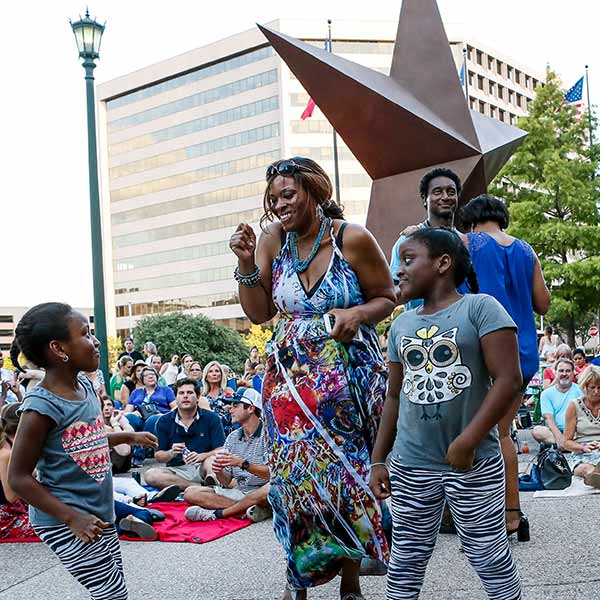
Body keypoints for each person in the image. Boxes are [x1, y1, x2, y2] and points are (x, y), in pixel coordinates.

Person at [230, 156, 395, 599]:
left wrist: (357, 313)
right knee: (294, 484)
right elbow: (259, 313)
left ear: (315, 191)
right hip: (289, 384)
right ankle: (296, 580)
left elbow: (387, 296)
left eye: (288, 194)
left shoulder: (351, 238)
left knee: (347, 478)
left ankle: (350, 581)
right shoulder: (273, 240)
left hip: (347, 381)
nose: (280, 205)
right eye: (274, 199)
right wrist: (246, 264)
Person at [369, 228, 522, 600]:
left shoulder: (480, 308)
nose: (399, 270)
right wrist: (378, 459)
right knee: (406, 556)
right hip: (410, 464)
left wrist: (468, 440)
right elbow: (394, 395)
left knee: (488, 552)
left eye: (408, 260)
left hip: (473, 463)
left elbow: (509, 379)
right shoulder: (401, 325)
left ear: (442, 263)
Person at [7, 302, 157, 600]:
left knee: (113, 586)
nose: (96, 341)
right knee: (112, 594)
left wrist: (128, 436)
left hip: (99, 511)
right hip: (63, 519)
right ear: (59, 348)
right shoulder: (40, 406)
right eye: (86, 333)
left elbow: (86, 439)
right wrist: (71, 518)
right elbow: (18, 478)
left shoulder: (85, 388)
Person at [461, 193, 551, 539]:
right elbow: (543, 304)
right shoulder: (526, 250)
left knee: (489, 435)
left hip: (487, 349)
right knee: (502, 432)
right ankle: (511, 514)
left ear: (471, 220)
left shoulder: (468, 243)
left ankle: (501, 517)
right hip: (524, 353)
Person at [184, 387, 271, 522]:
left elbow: (272, 475)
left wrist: (242, 463)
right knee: (190, 493)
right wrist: (218, 471)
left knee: (270, 488)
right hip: (241, 491)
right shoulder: (232, 437)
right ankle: (251, 508)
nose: (230, 410)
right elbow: (226, 482)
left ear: (250, 408)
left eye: (235, 406)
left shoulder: (269, 435)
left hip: (264, 491)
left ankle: (220, 513)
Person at [389, 167, 464, 307]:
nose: (445, 197)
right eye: (437, 192)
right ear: (425, 199)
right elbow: (393, 290)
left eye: (451, 192)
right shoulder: (408, 241)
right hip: (421, 319)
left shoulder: (465, 242)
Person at [144, 378, 225, 491]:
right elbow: (158, 456)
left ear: (198, 397)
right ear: (176, 398)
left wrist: (201, 456)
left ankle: (210, 482)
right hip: (177, 470)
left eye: (190, 392)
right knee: (151, 475)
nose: (185, 396)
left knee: (212, 461)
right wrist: (171, 453)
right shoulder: (164, 421)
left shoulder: (212, 418)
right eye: (181, 393)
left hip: (203, 465)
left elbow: (221, 449)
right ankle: (200, 488)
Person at [125, 366, 176, 467]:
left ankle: (138, 454)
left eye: (152, 374)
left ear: (157, 377)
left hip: (158, 417)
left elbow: (175, 407)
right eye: (147, 375)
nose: (150, 377)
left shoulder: (166, 390)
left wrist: (163, 415)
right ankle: (129, 454)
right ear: (142, 379)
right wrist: (134, 413)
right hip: (140, 418)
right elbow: (127, 411)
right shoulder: (136, 392)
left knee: (153, 419)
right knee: (130, 418)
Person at [0, 403, 37, 539]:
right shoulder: (6, 454)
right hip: (6, 517)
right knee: (54, 527)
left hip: (15, 510)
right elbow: (11, 497)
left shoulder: (10, 445)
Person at [563, 366, 600, 487]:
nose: (596, 392)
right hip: (582, 450)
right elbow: (566, 442)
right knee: (585, 468)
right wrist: (583, 447)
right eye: (592, 388)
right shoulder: (574, 405)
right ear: (585, 387)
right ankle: (595, 476)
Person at [532, 358, 582, 447]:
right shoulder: (546, 394)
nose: (564, 374)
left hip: (577, 431)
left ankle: (563, 445)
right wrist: (559, 437)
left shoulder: (580, 390)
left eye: (568, 371)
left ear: (573, 373)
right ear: (555, 373)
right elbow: (548, 418)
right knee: (537, 431)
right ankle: (569, 445)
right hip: (556, 431)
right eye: (561, 371)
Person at [201, 360, 235, 436]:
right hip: (209, 432)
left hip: (227, 431)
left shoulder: (228, 391)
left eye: (217, 371)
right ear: (206, 377)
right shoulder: (202, 395)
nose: (214, 374)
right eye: (210, 371)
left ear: (221, 375)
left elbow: (236, 409)